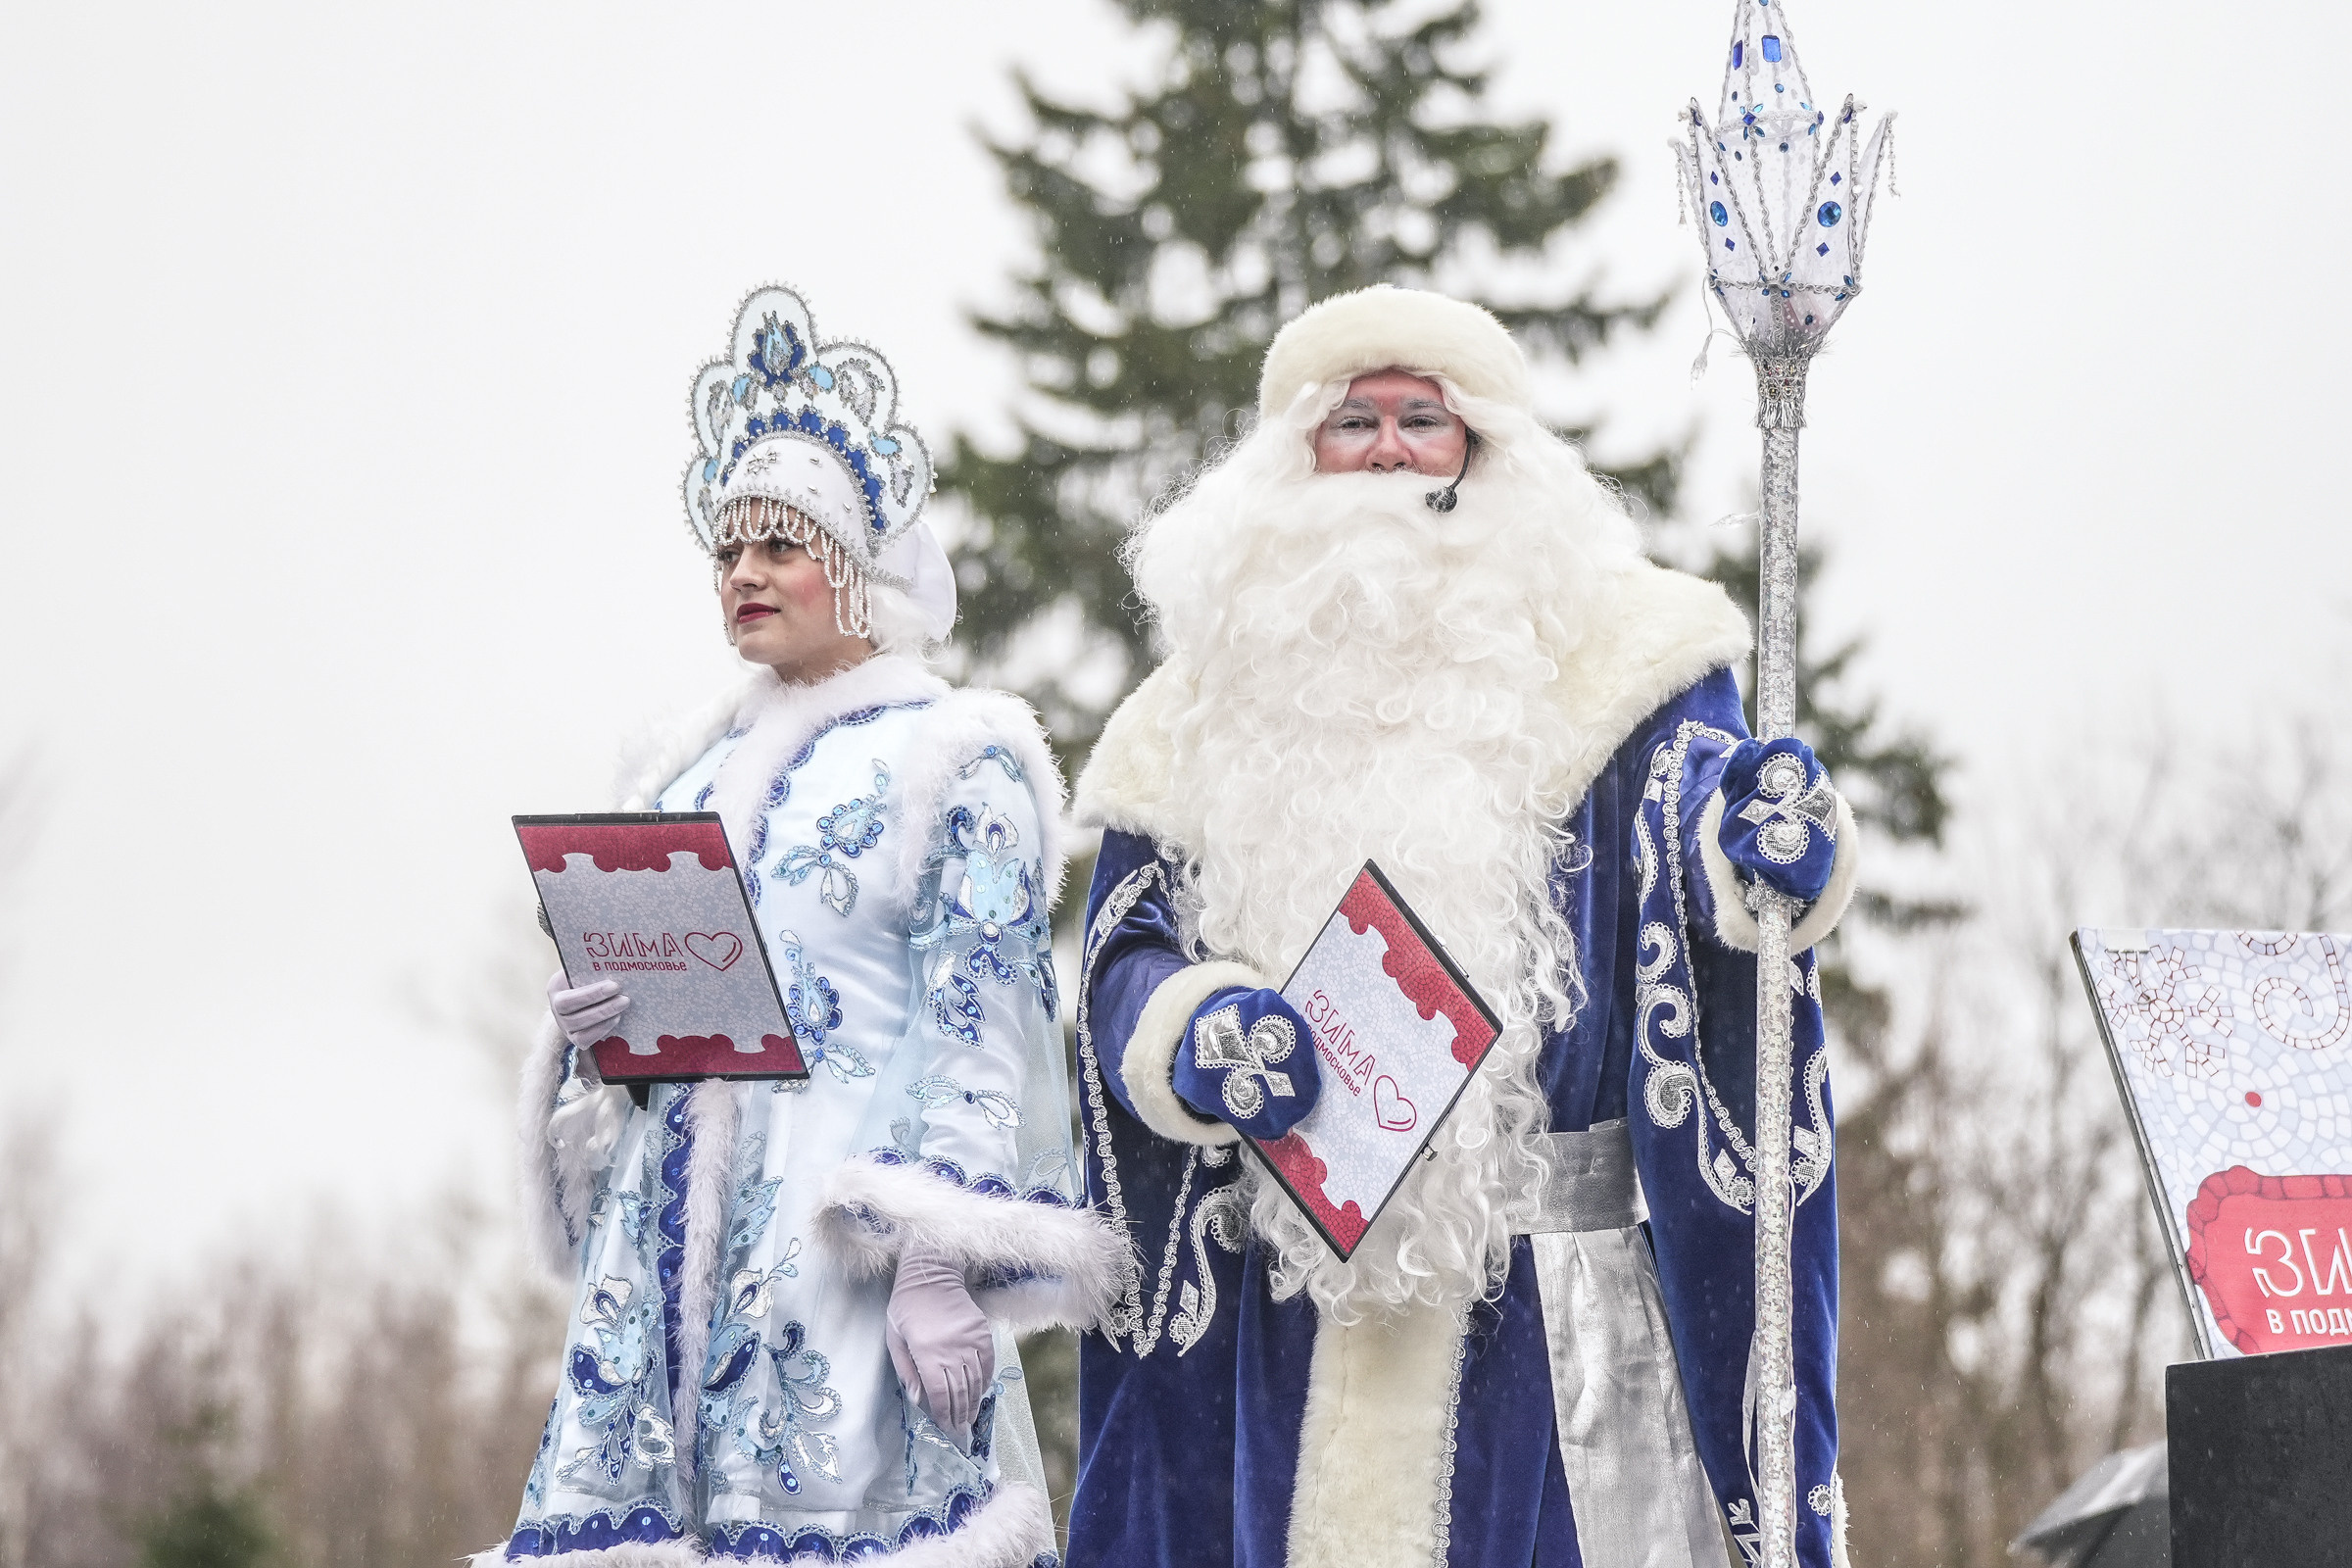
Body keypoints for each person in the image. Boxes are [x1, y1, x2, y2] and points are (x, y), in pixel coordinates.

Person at [1066, 285, 1857, 1568]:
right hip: (1290, 1329)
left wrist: (1762, 848)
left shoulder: (1631, 658)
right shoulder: (1191, 716)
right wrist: (1200, 1028)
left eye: (1421, 419)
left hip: (1562, 1324)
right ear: (1292, 457)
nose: (1386, 448)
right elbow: (1125, 955)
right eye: (1352, 420)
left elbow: (1701, 818)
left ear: (1484, 443)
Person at [484, 286, 1120, 1567]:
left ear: (859, 562)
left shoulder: (953, 758)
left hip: (839, 1272)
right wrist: (588, 1047)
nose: (745, 573)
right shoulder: (672, 771)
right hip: (657, 1281)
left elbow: (982, 1025)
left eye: (780, 543)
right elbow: (648, 1051)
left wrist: (941, 1261)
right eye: (728, 549)